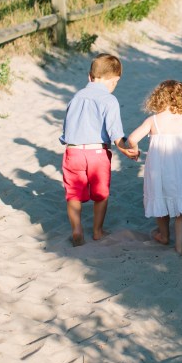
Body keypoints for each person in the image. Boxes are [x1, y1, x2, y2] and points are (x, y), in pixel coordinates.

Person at [125, 79, 182, 255]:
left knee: (161, 201)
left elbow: (132, 138)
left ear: (158, 98)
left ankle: (164, 235)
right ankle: (180, 246)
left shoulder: (153, 121)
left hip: (159, 171)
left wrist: (135, 150)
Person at [60, 53, 138, 246]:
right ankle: (97, 231)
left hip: (74, 152)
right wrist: (124, 148)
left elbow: (66, 128)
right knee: (101, 194)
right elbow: (115, 132)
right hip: (97, 153)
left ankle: (77, 230)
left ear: (90, 76)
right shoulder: (109, 100)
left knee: (73, 194)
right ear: (115, 80)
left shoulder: (76, 97)